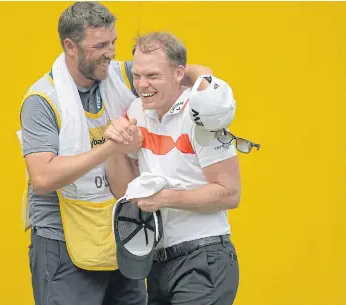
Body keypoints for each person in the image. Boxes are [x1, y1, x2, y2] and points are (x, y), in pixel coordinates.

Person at [17, 2, 213, 304]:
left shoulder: (121, 75)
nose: (110, 52)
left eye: (113, 42)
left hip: (123, 231)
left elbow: (187, 73)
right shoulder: (43, 100)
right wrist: (112, 148)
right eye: (100, 46)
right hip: (62, 242)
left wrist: (210, 90)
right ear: (70, 46)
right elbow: (42, 177)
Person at [105, 32, 241, 305]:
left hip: (203, 257)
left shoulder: (202, 114)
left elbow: (230, 193)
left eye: (153, 76)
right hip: (156, 264)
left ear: (179, 72)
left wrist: (165, 199)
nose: (142, 84)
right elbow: (124, 190)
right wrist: (116, 147)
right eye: (138, 76)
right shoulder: (136, 110)